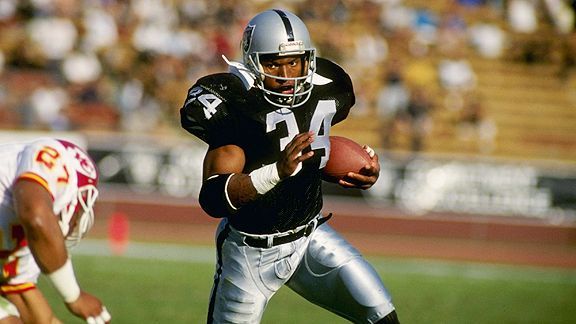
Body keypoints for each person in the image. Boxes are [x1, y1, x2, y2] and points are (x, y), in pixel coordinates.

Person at [180, 9, 400, 324]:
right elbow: (213, 198)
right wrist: (276, 172)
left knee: (383, 315)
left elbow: (313, 153)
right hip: (249, 253)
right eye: (273, 63)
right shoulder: (233, 102)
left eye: (294, 61)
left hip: (311, 237)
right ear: (253, 63)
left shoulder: (329, 86)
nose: (286, 74)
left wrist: (359, 171)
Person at [0, 138, 111, 324]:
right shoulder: (57, 159)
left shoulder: (29, 237)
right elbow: (35, 215)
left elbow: (39, 317)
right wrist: (74, 296)